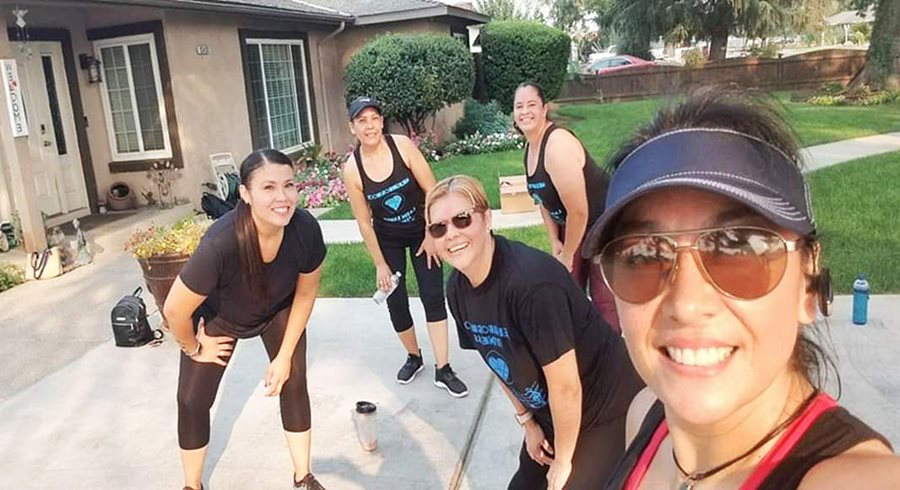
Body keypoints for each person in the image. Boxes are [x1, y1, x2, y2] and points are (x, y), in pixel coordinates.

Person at [578, 90, 899, 489]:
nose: (687, 304)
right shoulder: (645, 415)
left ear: (808, 283)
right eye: (643, 255)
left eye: (740, 246)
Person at [425, 175, 645, 489]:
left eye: (462, 220)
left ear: (487, 218)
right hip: (552, 414)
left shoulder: (532, 285)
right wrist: (528, 422)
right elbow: (496, 360)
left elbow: (567, 388)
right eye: (439, 227)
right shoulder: (457, 290)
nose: (452, 234)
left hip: (606, 409)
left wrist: (564, 462)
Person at [164, 150, 327, 490]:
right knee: (192, 401)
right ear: (246, 194)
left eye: (289, 185)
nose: (282, 197)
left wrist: (284, 358)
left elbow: (305, 294)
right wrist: (194, 347)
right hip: (220, 318)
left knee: (294, 381)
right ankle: (191, 485)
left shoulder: (305, 230)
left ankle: (303, 477)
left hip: (276, 309)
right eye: (268, 188)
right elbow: (175, 309)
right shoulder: (222, 242)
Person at [342, 96, 468, 397]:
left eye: (374, 118)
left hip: (421, 231)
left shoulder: (402, 147)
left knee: (432, 295)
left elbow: (434, 190)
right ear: (353, 127)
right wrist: (380, 264)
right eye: (362, 120)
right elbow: (363, 222)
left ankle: (443, 367)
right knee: (395, 301)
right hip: (388, 240)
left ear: (381, 122)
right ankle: (414, 357)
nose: (370, 125)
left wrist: (431, 232)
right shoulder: (353, 169)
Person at [514, 81, 620, 331]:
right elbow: (542, 200)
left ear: (544, 109)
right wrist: (555, 242)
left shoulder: (557, 145)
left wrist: (569, 254)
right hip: (573, 223)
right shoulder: (531, 146)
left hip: (602, 223)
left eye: (532, 105)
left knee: (604, 300)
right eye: (519, 106)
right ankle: (582, 346)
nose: (525, 111)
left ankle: (611, 355)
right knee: (567, 289)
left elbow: (580, 211)